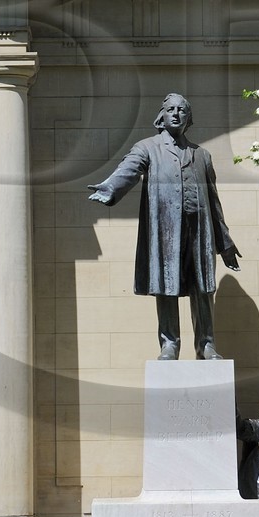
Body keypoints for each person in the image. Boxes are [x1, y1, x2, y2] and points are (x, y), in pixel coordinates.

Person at [88, 93, 242, 360]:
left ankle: (206, 344)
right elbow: (130, 169)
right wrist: (110, 188)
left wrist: (224, 243)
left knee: (202, 287)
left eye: (182, 110)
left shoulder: (202, 155)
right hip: (166, 231)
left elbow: (214, 202)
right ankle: (169, 343)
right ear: (161, 115)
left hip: (199, 231)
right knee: (167, 285)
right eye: (170, 109)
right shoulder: (148, 147)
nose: (176, 114)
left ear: (188, 117)